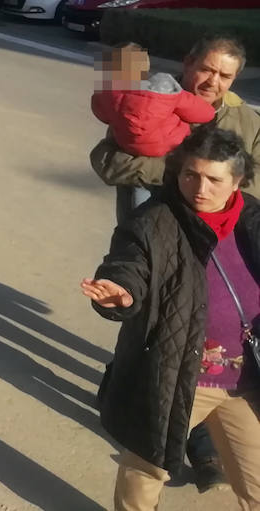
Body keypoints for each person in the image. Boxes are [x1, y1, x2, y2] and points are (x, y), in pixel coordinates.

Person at [81, 125, 260, 509]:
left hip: (245, 378)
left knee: (256, 482)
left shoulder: (254, 220)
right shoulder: (154, 219)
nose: (200, 188)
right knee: (146, 470)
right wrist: (121, 292)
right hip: (177, 371)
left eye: (214, 179)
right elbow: (129, 262)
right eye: (190, 174)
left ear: (238, 181)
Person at [92, 36, 260, 225]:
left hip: (213, 236)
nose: (213, 82)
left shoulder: (250, 124)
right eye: (206, 70)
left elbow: (254, 187)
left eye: (225, 76)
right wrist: (180, 174)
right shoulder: (150, 100)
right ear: (188, 63)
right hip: (147, 231)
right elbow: (108, 161)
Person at [93, 42, 217, 158]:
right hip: (168, 144)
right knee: (181, 122)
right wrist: (210, 112)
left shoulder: (106, 93)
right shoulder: (163, 88)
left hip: (127, 145)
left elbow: (101, 114)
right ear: (145, 69)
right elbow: (195, 109)